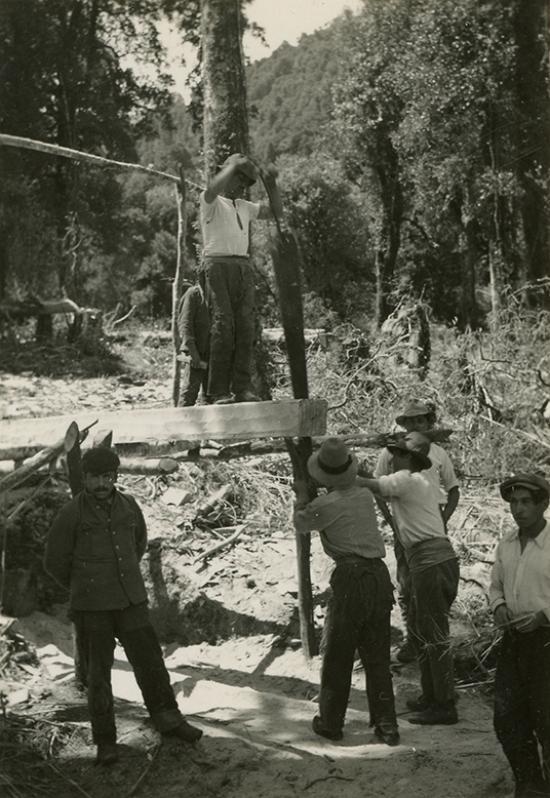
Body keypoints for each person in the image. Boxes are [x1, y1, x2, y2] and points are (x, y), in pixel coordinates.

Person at [44, 447, 203, 766]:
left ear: (115, 476)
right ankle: (105, 741)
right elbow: (54, 562)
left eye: (107, 476)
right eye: (94, 478)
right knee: (98, 675)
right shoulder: (72, 513)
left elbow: (138, 544)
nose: (101, 483)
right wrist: (84, 588)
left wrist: (122, 577)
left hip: (130, 600)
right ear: (84, 479)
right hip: (93, 607)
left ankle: (168, 719)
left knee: (151, 662)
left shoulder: (129, 505)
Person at [293, 438, 399, 746]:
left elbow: (301, 523)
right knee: (377, 655)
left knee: (338, 653)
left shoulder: (325, 505)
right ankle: (387, 724)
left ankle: (330, 722)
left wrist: (302, 497)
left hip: (351, 577)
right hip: (378, 575)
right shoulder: (364, 496)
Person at [359, 433, 460, 725]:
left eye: (396, 453)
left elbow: (369, 485)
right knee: (428, 631)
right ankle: (434, 696)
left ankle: (443, 704)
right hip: (433, 560)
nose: (391, 458)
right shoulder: (420, 482)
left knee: (434, 635)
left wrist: (335, 470)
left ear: (408, 459)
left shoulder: (406, 479)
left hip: (430, 561)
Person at [374, 399, 460, 663]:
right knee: (406, 585)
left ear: (428, 423)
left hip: (431, 531)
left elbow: (453, 489)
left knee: (432, 588)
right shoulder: (392, 453)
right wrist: (392, 523)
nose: (415, 425)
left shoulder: (438, 454)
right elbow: (378, 487)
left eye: (420, 420)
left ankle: (431, 646)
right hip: (406, 530)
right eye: (410, 421)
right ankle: (413, 641)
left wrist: (442, 519)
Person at [200, 152, 282, 404]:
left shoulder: (244, 207)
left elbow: (276, 212)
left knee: (245, 328)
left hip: (242, 267)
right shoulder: (210, 201)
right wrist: (232, 167)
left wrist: (271, 185)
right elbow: (213, 188)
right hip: (216, 266)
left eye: (247, 183)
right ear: (226, 176)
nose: (242, 187)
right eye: (238, 180)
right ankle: (217, 391)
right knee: (223, 327)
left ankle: (241, 388)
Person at [490, 473, 550, 798]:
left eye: (526, 502)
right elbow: (495, 585)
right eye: (514, 502)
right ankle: (529, 784)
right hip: (514, 643)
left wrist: (543, 615)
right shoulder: (507, 545)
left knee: (548, 718)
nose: (519, 509)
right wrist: (498, 606)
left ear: (544, 503)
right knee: (507, 717)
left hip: (547, 643)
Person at [176, 272, 210, 407]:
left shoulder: (218, 295)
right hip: (196, 352)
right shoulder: (193, 294)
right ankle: (180, 424)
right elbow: (185, 325)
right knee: (189, 393)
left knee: (210, 396)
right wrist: (192, 351)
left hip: (213, 353)